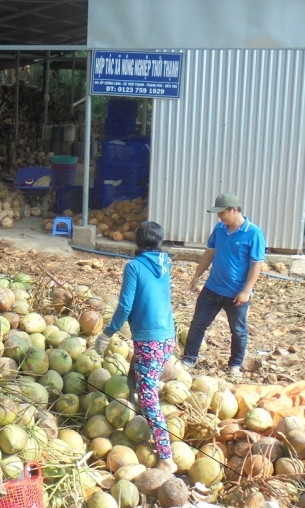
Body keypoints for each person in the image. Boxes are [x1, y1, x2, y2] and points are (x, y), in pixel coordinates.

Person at [96, 221, 178, 474]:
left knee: (148, 394)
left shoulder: (134, 267)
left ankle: (166, 457)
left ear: (137, 241)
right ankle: (139, 422)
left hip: (150, 339)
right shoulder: (165, 264)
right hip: (167, 336)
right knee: (141, 376)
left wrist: (107, 333)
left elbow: (125, 306)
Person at [180, 193, 265, 378]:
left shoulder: (253, 233)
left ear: (234, 210)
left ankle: (235, 365)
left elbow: (256, 264)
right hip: (212, 289)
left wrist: (246, 291)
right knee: (197, 325)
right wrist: (197, 275)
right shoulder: (220, 228)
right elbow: (209, 253)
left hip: (236, 293)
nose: (220, 217)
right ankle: (189, 358)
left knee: (238, 330)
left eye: (222, 213)